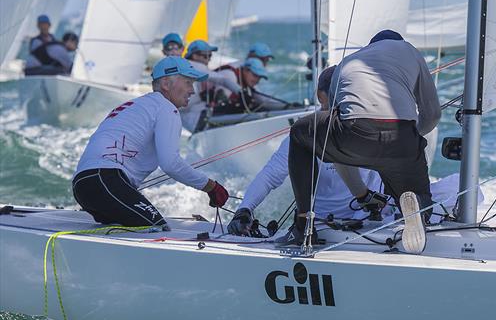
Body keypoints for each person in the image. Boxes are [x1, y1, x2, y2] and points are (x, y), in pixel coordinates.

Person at [284, 30, 440, 251]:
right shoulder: (409, 51)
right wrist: (411, 138)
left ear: (371, 46)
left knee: (299, 133)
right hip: (401, 137)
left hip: (354, 135)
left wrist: (362, 194)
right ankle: (418, 213)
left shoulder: (347, 63)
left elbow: (334, 141)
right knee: (416, 192)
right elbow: (432, 114)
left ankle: (303, 225)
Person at [72, 56, 230, 227]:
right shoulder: (165, 107)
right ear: (166, 84)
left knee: (129, 231)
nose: (192, 90)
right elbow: (170, 164)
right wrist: (210, 187)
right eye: (188, 82)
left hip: (82, 185)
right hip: (107, 180)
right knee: (158, 229)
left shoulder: (136, 105)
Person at [228, 66, 385, 237]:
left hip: (365, 225)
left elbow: (379, 182)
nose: (341, 101)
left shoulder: (368, 131)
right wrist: (245, 209)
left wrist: (357, 224)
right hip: (318, 225)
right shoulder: (304, 133)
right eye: (336, 94)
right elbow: (270, 175)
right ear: (320, 96)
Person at [180, 39, 241, 131]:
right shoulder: (194, 65)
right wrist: (242, 92)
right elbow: (223, 80)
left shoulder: (184, 67)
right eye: (206, 56)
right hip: (196, 120)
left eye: (210, 56)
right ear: (195, 56)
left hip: (190, 120)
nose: (209, 59)